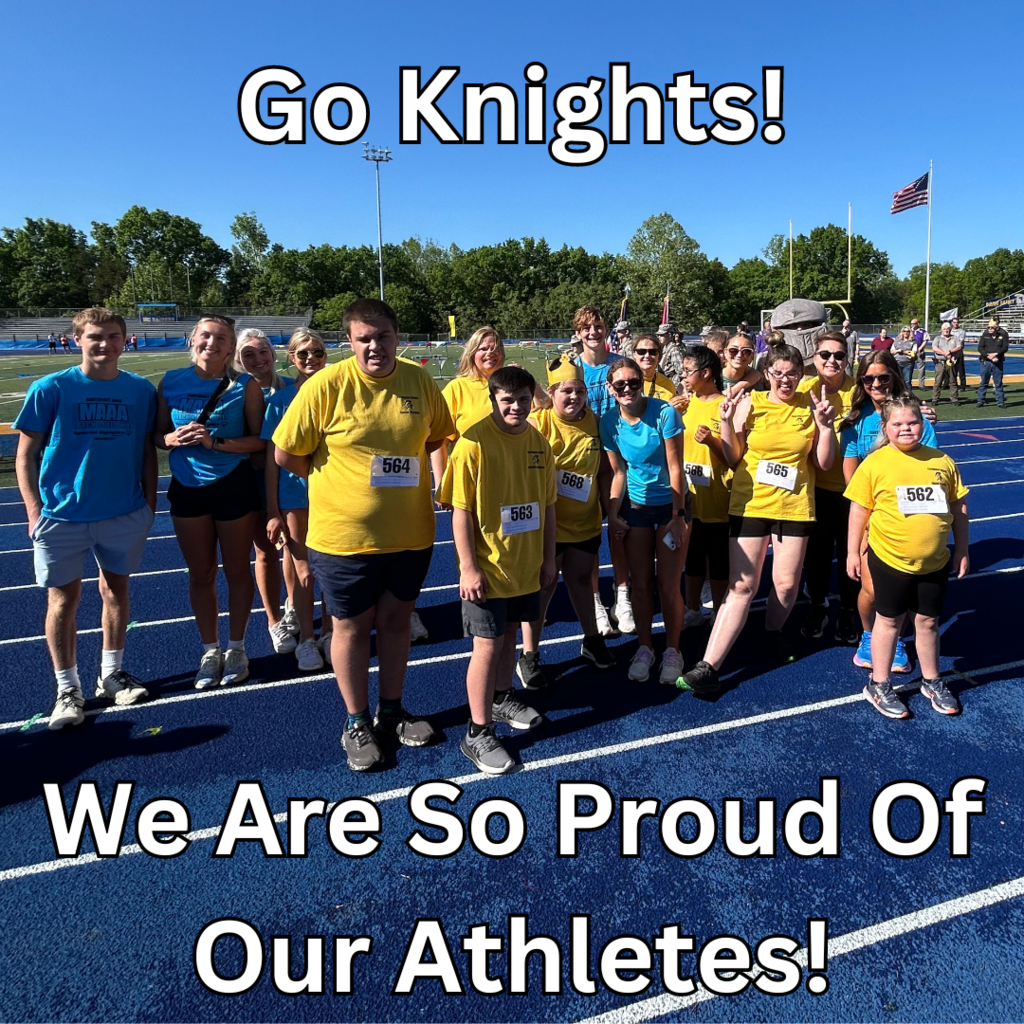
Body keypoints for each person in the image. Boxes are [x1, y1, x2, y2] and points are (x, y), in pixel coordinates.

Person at [273, 298, 454, 772]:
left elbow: (436, 435)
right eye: (364, 339)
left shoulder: (418, 379)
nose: (375, 346)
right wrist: (337, 485)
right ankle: (356, 720)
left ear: (398, 336)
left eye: (383, 336)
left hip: (411, 532)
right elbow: (286, 454)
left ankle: (391, 710)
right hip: (343, 538)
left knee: (396, 624)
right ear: (349, 342)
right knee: (351, 629)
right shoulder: (326, 385)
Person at [14, 308, 157, 728]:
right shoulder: (50, 387)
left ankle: (110, 674)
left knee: (116, 592)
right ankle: (67, 688)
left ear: (125, 341)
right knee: (63, 601)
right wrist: (34, 510)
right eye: (95, 336)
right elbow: (26, 454)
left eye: (113, 336)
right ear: (77, 339)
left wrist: (148, 503)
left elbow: (148, 450)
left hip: (123, 510)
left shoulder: (140, 390)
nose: (104, 344)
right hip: (63, 514)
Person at [680, 344, 837, 693]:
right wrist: (724, 421)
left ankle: (772, 632)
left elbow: (824, 464)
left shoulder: (811, 407)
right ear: (767, 374)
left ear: (801, 375)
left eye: (792, 374)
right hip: (750, 503)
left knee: (785, 585)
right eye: (778, 373)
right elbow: (734, 458)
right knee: (742, 587)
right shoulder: (751, 403)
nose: (785, 380)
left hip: (795, 507)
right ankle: (708, 666)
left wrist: (825, 427)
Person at [438, 365, 556, 774]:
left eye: (524, 399)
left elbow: (548, 506)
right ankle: (477, 731)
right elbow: (460, 511)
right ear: (492, 399)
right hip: (487, 568)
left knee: (508, 637)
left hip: (524, 565)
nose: (516, 407)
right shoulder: (472, 443)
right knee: (486, 646)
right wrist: (468, 568)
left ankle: (503, 698)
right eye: (507, 400)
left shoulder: (539, 441)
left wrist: (549, 557)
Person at [156, 315, 265, 689]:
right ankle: (209, 650)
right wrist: (170, 440)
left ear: (231, 347)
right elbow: (157, 435)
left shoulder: (245, 386)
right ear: (192, 339)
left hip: (232, 484)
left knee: (236, 570)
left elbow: (259, 442)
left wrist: (214, 442)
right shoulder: (170, 382)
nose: (212, 343)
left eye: (221, 338)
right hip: (186, 486)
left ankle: (236, 647)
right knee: (200, 573)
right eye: (206, 335)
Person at [846, 393, 969, 718]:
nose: (906, 428)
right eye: (897, 424)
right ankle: (879, 683)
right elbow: (858, 510)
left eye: (913, 422)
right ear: (885, 427)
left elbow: (959, 508)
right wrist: (852, 552)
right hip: (889, 561)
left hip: (935, 561)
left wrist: (963, 549)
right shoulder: (875, 463)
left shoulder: (941, 461)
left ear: (923, 422)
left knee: (928, 622)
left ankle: (932, 680)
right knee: (889, 622)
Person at [516, 357, 615, 687]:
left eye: (580, 391)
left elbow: (603, 471)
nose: (574, 397)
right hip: (548, 526)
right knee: (543, 588)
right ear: (552, 392)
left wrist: (609, 511)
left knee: (581, 583)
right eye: (566, 391)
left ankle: (592, 640)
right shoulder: (538, 422)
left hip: (585, 522)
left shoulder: (595, 423)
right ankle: (529, 656)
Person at [839, 351, 939, 674]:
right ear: (862, 382)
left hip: (913, 516)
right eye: (869, 379)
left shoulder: (917, 418)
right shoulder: (855, 421)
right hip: (875, 516)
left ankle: (894, 637)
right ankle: (870, 636)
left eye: (884, 376)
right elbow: (853, 479)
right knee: (871, 589)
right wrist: (865, 526)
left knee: (909, 595)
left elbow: (932, 466)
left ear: (896, 376)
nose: (877, 383)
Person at [602, 358, 688, 683]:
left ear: (642, 383)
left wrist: (678, 517)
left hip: (671, 507)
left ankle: (673, 650)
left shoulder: (665, 413)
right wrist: (612, 514)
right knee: (641, 585)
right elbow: (619, 472)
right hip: (636, 508)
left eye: (633, 383)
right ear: (610, 388)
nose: (627, 389)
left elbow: (676, 467)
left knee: (668, 586)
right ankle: (645, 647)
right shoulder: (609, 422)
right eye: (620, 384)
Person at [429, 326, 508, 642]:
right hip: (469, 482)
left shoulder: (509, 384)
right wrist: (441, 483)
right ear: (472, 353)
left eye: (495, 347)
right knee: (470, 546)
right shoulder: (457, 389)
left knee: (505, 542)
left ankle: (506, 598)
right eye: (483, 348)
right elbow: (438, 440)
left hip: (509, 479)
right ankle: (475, 609)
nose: (491, 353)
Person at [263, 328, 331, 672]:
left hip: (334, 495)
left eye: (317, 352)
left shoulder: (339, 394)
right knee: (303, 571)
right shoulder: (279, 402)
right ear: (291, 358)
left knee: (333, 570)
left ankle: (330, 632)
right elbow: (271, 460)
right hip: (295, 498)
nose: (310, 359)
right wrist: (273, 510)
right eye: (302, 354)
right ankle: (307, 638)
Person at [235, 328, 296, 654]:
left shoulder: (290, 388)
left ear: (273, 354)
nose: (258, 359)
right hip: (251, 479)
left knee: (295, 548)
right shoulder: (234, 392)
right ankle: (275, 621)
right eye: (249, 354)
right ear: (238, 359)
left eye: (263, 352)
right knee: (265, 550)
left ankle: (293, 606)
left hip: (290, 478)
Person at [574, 305, 634, 637]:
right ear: (578, 332)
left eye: (598, 326)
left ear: (606, 329)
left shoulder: (620, 364)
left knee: (619, 531)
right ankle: (595, 600)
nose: (593, 332)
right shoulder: (571, 369)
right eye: (586, 328)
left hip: (619, 459)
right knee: (590, 536)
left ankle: (622, 597)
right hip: (584, 460)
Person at [798, 332, 860, 643]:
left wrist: (922, 409)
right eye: (825, 355)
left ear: (848, 358)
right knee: (817, 555)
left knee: (853, 554)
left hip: (855, 491)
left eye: (839, 355)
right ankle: (818, 605)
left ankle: (848, 611)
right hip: (815, 489)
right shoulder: (802, 390)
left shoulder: (860, 391)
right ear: (814, 357)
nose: (832, 360)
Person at [679, 345, 732, 627]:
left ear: (706, 372)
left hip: (717, 499)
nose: (684, 376)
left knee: (719, 562)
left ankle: (719, 613)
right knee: (693, 558)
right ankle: (692, 609)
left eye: (688, 371)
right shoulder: (685, 404)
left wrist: (712, 440)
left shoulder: (725, 405)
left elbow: (735, 457)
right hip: (689, 498)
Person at [977, 319, 1009, 409]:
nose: (990, 329)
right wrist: (988, 355)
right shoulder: (984, 335)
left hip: (997, 362)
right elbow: (980, 348)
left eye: (992, 327)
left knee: (998, 383)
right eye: (988, 327)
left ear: (996, 328)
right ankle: (980, 400)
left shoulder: (1002, 336)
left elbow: (1005, 348)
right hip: (986, 362)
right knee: (983, 382)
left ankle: (1000, 402)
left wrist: (996, 354)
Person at [634, 334, 677, 399]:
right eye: (641, 351)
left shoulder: (668, 385)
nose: (647, 356)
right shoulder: (624, 382)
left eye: (653, 352)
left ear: (659, 356)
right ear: (634, 354)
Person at [931, 322, 961, 406]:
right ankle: (935, 398)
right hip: (940, 362)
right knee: (938, 381)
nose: (946, 331)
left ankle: (954, 399)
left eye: (947, 329)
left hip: (952, 362)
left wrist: (950, 352)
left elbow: (959, 346)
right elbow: (934, 348)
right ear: (941, 330)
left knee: (953, 381)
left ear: (950, 330)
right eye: (944, 329)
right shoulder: (937, 338)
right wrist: (945, 353)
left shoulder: (954, 338)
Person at [657, 323, 685, 391]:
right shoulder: (665, 348)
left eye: (661, 335)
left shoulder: (673, 349)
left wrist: (675, 386)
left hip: (670, 385)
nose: (659, 337)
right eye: (658, 335)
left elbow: (681, 371)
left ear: (669, 334)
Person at [910, 317, 931, 390]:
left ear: (917, 324)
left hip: (919, 351)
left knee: (921, 368)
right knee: (909, 368)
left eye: (914, 324)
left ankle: (921, 385)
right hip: (910, 352)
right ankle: (908, 384)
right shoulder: (908, 331)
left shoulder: (922, 331)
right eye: (911, 324)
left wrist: (920, 348)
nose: (912, 325)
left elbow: (925, 340)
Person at [950, 317, 967, 389]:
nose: (956, 324)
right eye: (954, 322)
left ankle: (963, 385)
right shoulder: (949, 330)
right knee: (951, 369)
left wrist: (952, 342)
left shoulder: (962, 331)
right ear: (952, 323)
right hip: (951, 351)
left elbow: (960, 341)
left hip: (959, 351)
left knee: (961, 369)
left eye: (957, 322)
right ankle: (953, 384)